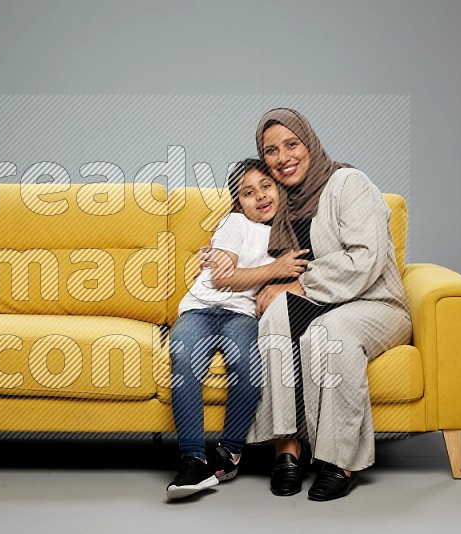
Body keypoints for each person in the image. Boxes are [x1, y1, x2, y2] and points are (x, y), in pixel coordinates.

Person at [244, 108, 413, 501]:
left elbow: (364, 260)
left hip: (376, 302)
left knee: (328, 334)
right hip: (327, 301)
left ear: (310, 144)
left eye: (292, 144)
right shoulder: (278, 201)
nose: (283, 157)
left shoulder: (349, 183)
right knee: (275, 317)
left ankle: (340, 460)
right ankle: (287, 449)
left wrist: (300, 283)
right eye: (271, 150)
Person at [166, 158, 311, 500]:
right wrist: (276, 268)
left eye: (266, 186)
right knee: (184, 359)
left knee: (249, 367)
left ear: (280, 189)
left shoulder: (290, 233)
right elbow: (221, 277)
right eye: (248, 193)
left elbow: (303, 276)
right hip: (201, 309)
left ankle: (229, 453)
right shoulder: (234, 224)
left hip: (243, 315)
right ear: (238, 202)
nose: (259, 196)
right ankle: (192, 459)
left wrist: (286, 277)